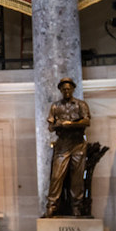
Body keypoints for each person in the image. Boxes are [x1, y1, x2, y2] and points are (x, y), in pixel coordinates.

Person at [44, 77, 91, 217]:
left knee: (77, 177)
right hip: (63, 143)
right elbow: (50, 127)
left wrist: (70, 124)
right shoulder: (55, 106)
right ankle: (52, 206)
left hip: (78, 143)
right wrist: (58, 125)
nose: (66, 91)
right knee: (56, 176)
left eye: (68, 89)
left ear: (73, 89)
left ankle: (77, 206)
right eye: (63, 89)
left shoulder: (80, 105)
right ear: (60, 90)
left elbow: (87, 121)